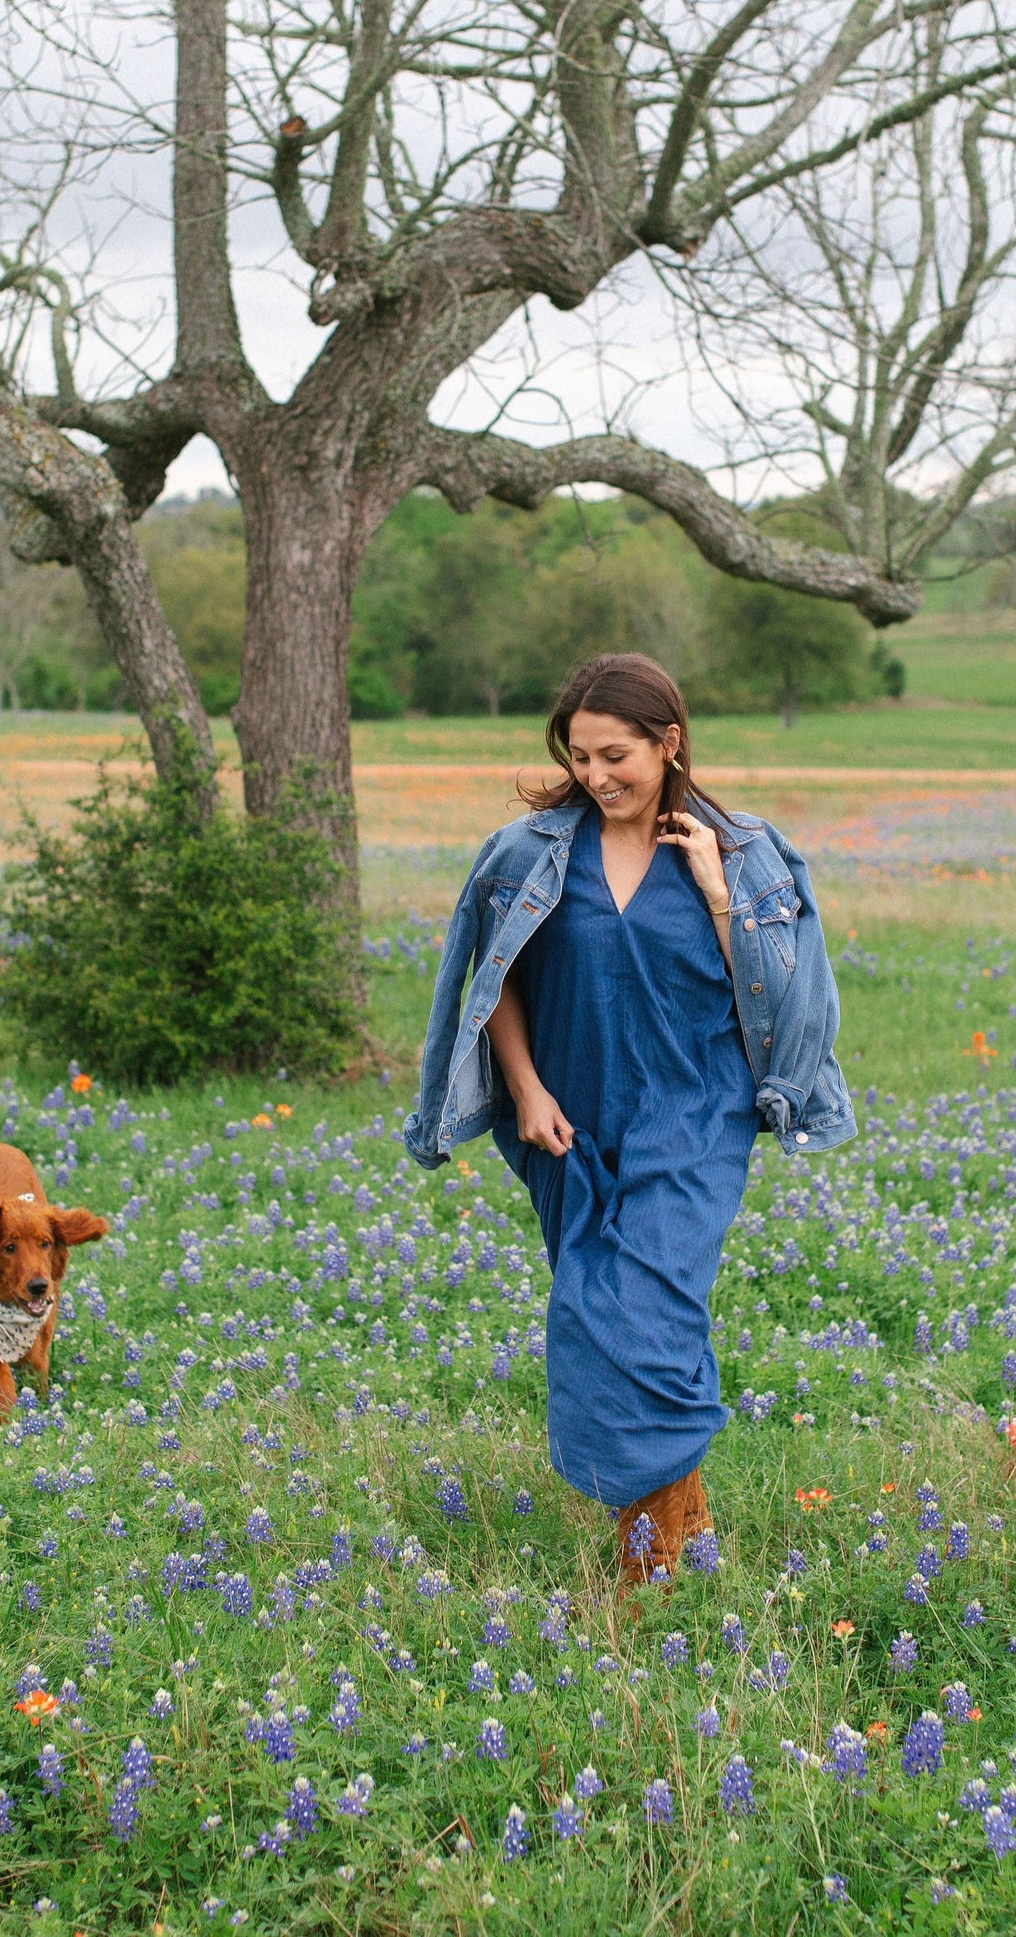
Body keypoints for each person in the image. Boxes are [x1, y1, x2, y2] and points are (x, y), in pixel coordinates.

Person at [404, 654, 855, 1591]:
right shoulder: (527, 852)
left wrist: (719, 894)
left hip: (693, 1112)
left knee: (637, 1315)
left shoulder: (741, 851)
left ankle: (649, 1566)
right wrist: (523, 1090)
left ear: (668, 742)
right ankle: (675, 1533)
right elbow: (495, 985)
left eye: (617, 754)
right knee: (594, 1311)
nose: (598, 775)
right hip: (568, 1116)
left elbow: (794, 993)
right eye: (579, 757)